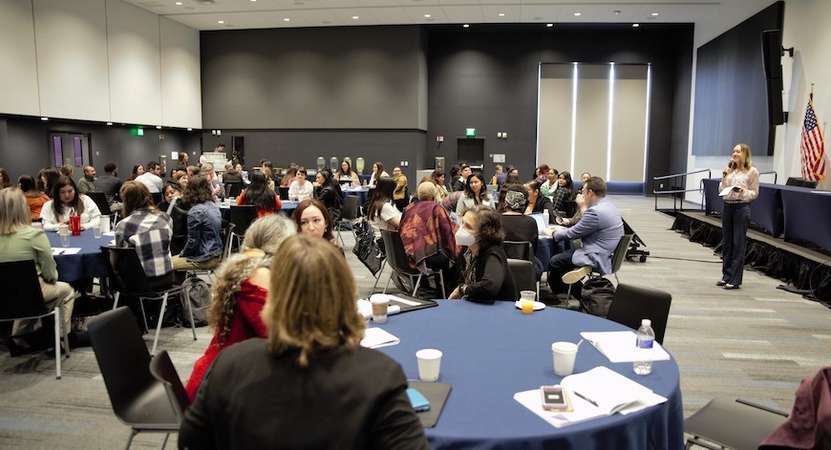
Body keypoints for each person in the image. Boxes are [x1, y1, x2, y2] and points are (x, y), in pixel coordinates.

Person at [178, 234, 428, 449]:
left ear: (275, 295)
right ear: (344, 295)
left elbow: (191, 441)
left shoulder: (229, 364)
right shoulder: (381, 376)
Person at [183, 214, 296, 401]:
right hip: (220, 391)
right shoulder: (260, 275)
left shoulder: (246, 268)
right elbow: (275, 335)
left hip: (224, 376)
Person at [0, 188, 76, 351]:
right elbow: (50, 274)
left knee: (20, 291)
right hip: (32, 294)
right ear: (23, 207)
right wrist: (52, 279)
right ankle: (61, 339)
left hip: (4, 299)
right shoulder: (34, 236)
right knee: (66, 291)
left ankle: (19, 334)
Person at [547, 177, 623, 295]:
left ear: (590, 193)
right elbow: (582, 228)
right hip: (608, 252)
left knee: (555, 261)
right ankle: (564, 290)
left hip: (597, 255)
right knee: (567, 252)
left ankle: (580, 295)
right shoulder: (609, 206)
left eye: (583, 192)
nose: (581, 195)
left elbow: (572, 233)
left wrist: (554, 233)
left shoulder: (595, 212)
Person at [449, 208, 516, 303]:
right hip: (475, 304)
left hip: (497, 309)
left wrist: (463, 289)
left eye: (468, 226)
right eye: (462, 222)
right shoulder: (466, 250)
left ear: (483, 233)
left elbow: (489, 287)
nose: (461, 228)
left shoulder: (493, 253)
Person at [718, 143, 759, 289]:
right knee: (727, 242)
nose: (734, 153)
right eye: (733, 151)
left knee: (738, 243)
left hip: (741, 207)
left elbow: (754, 193)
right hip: (727, 206)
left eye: (738, 151)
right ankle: (726, 276)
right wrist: (724, 176)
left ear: (745, 154)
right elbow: (721, 189)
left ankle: (735, 280)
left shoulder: (752, 171)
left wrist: (743, 192)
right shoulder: (730, 170)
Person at [400, 182, 459, 282]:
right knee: (457, 252)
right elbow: (447, 233)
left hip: (408, 254)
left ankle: (427, 284)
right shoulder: (436, 208)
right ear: (434, 194)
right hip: (426, 256)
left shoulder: (409, 208)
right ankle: (446, 288)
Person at [114, 182, 173, 278]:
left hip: (140, 281)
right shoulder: (166, 218)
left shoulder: (123, 224)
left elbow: (118, 255)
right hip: (167, 276)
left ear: (127, 202)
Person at [171, 175, 223, 271]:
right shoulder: (213, 205)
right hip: (216, 253)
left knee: (166, 264)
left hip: (204, 258)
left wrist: (182, 254)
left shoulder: (196, 211)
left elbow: (192, 242)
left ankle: (177, 285)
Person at [499, 184, 539, 260]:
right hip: (525, 266)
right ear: (525, 203)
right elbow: (534, 250)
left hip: (498, 265)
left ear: (506, 201)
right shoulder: (531, 222)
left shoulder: (494, 220)